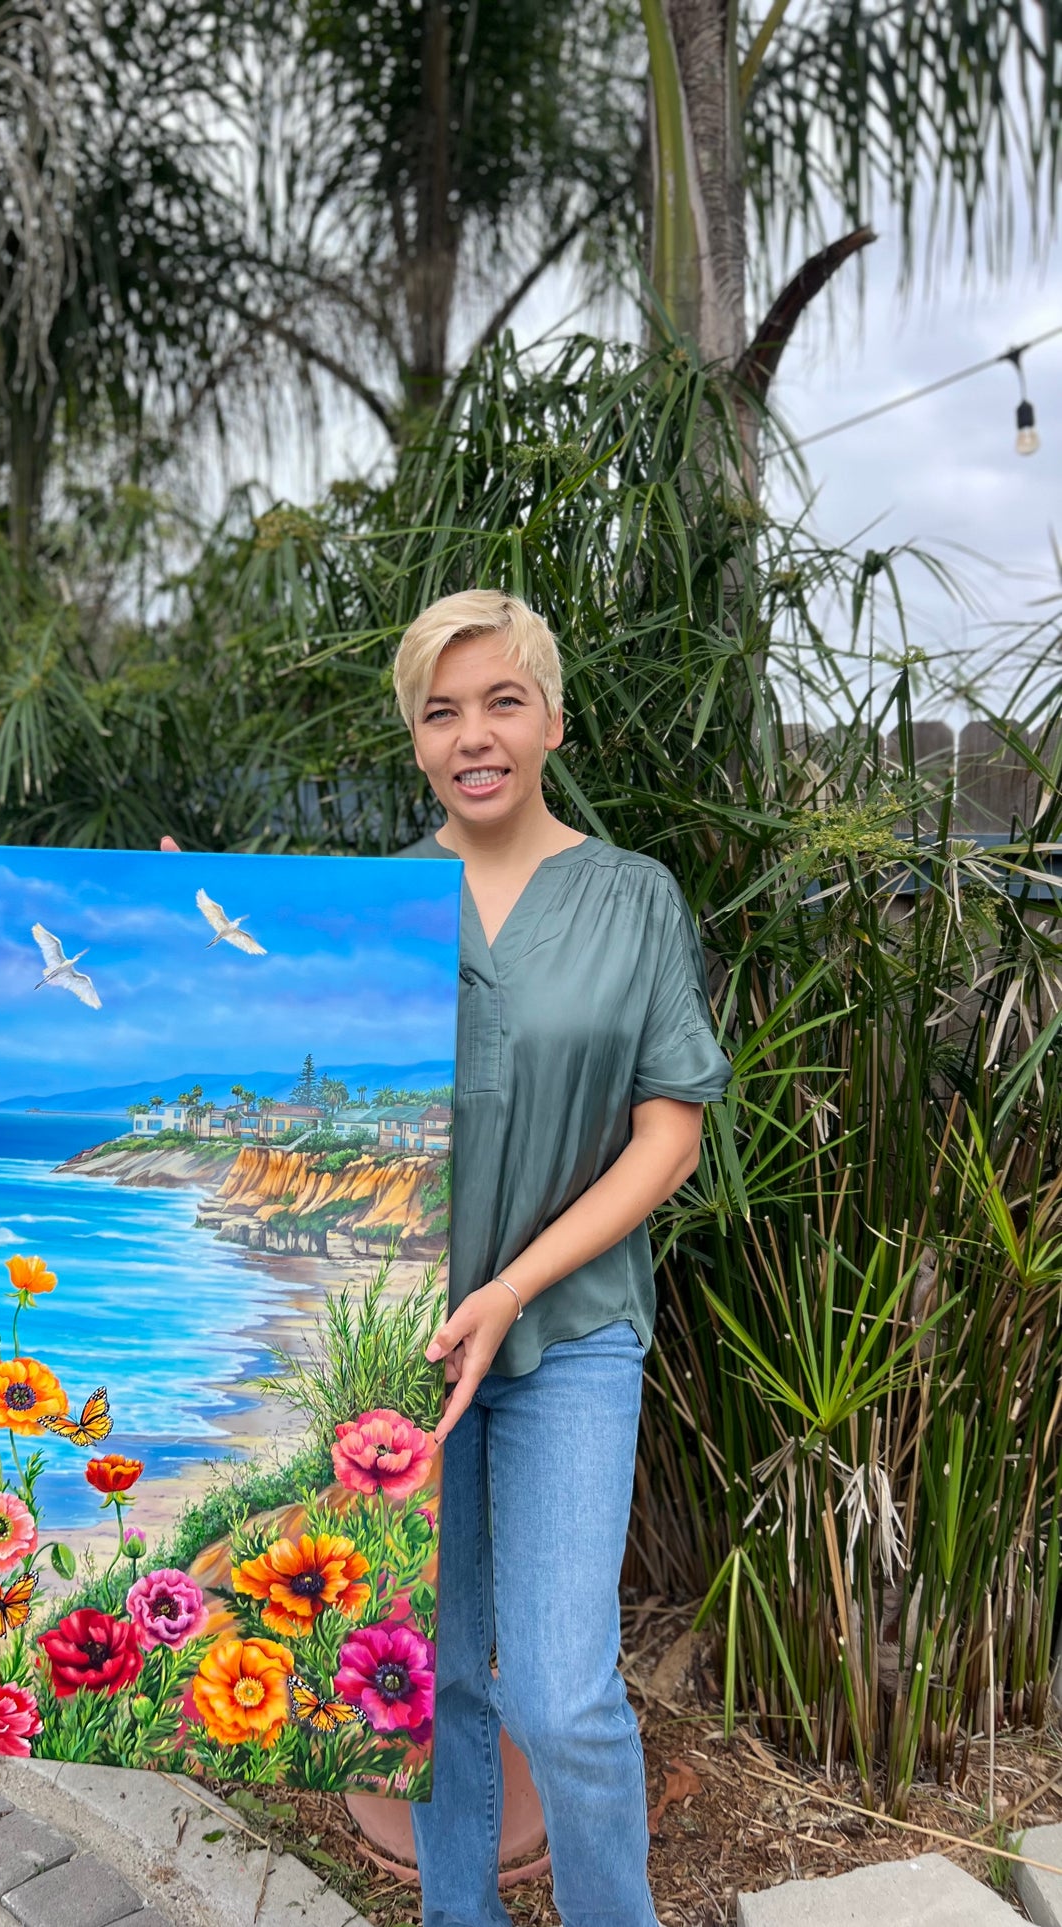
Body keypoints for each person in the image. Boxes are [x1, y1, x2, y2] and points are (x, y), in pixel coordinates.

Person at [392, 589, 733, 1927]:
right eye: (440, 711)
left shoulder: (631, 897)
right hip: (401, 1344)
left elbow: (668, 1138)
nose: (472, 734)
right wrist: (173, 935)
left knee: (559, 1690)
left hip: (566, 1331)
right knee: (432, 1675)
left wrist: (510, 1287)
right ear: (414, 741)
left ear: (548, 719)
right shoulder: (370, 910)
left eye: (500, 701)